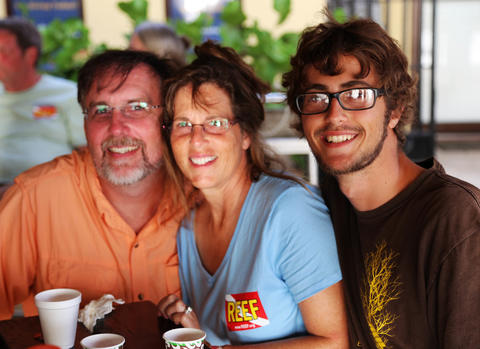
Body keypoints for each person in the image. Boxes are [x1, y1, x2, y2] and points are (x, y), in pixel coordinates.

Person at [282, 13, 480, 348]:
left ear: (396, 108)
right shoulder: (326, 203)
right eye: (317, 98)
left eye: (357, 94)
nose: (334, 116)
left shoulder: (455, 221)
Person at [157, 41, 348, 348]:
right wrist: (189, 329)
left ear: (245, 134)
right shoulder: (187, 227)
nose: (196, 140)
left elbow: (336, 341)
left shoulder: (290, 211)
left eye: (215, 123)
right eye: (183, 124)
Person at [0, 49, 182, 320]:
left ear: (167, 118)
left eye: (137, 108)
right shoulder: (35, 198)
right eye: (101, 110)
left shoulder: (201, 194)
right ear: (84, 123)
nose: (117, 128)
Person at [0, 17, 85, 198]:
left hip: (49, 193)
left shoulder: (67, 94)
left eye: (3, 51)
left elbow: (87, 153)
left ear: (30, 55)